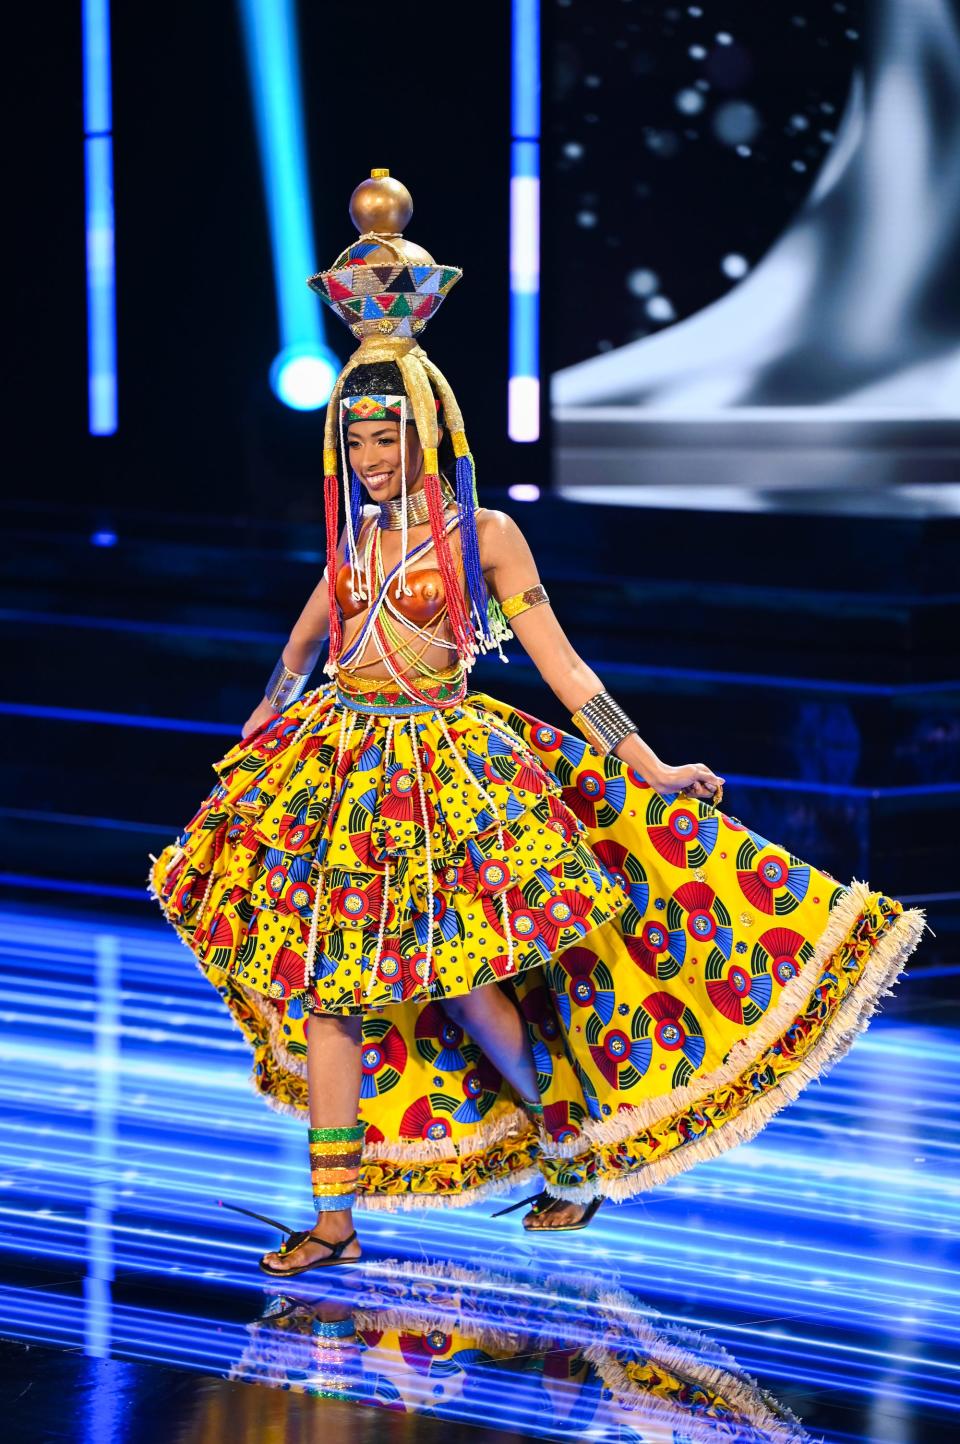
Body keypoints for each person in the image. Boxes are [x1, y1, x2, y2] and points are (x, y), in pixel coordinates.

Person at [150, 171, 925, 1277]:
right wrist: (250, 753)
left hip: (446, 775)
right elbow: (295, 659)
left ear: (425, 431)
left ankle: (565, 1144)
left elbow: (561, 666)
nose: (370, 457)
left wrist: (647, 763)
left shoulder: (488, 537)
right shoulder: (347, 547)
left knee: (465, 981)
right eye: (355, 440)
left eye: (386, 436)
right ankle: (333, 1216)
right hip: (340, 776)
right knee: (327, 990)